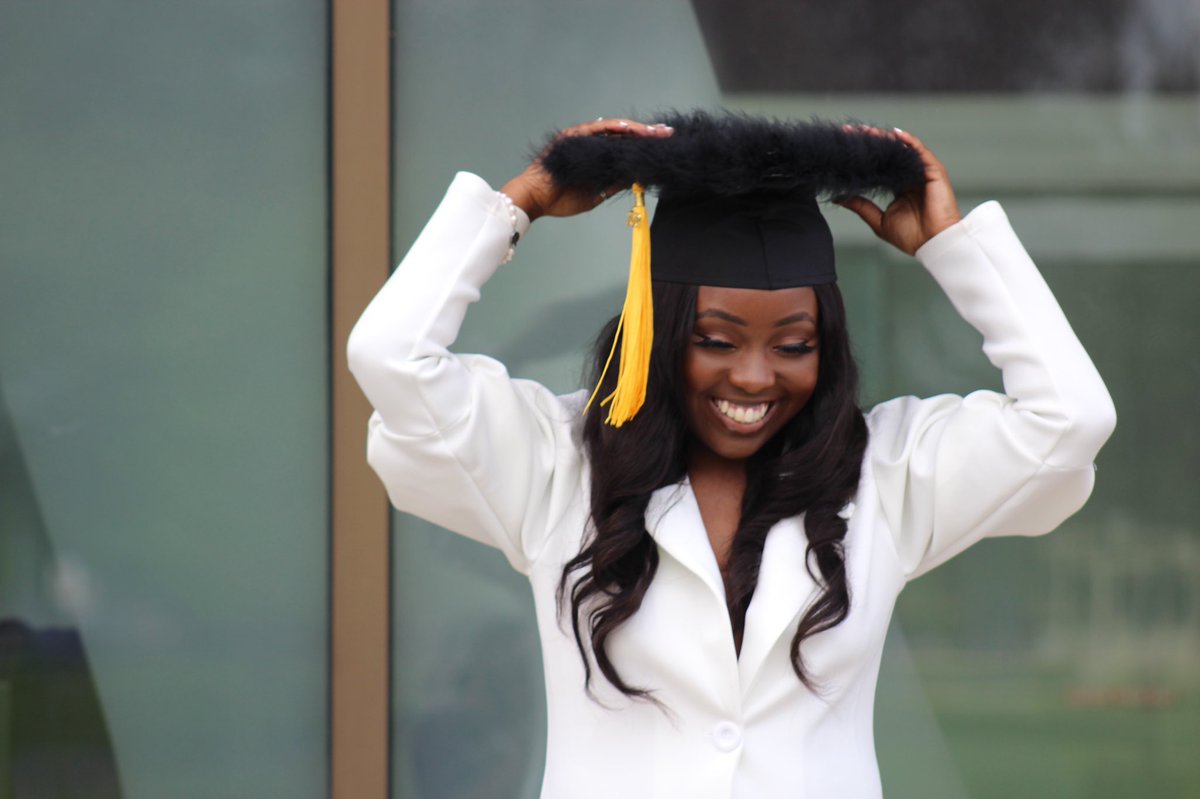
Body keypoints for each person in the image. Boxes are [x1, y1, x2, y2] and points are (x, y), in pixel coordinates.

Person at [347, 113, 1116, 798]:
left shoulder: (884, 475)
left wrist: (956, 250)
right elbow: (392, 357)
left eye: (794, 345)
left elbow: (1070, 419)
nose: (753, 376)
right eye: (714, 340)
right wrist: (520, 204)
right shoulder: (558, 468)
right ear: (658, 330)